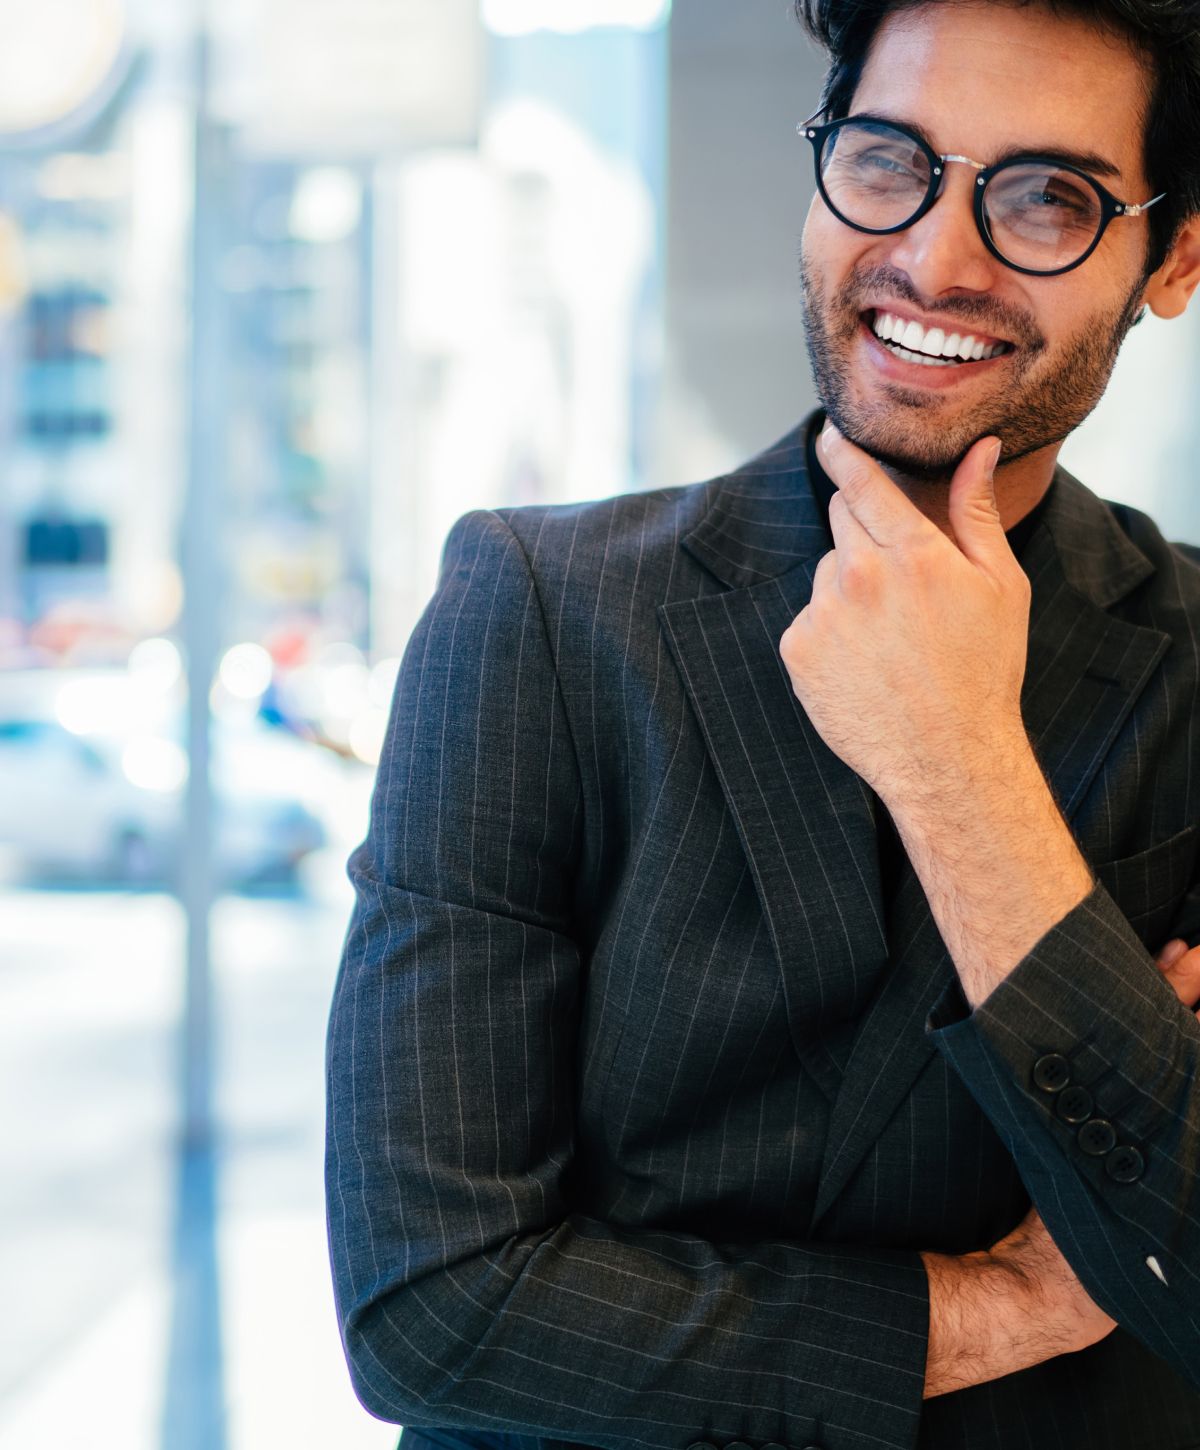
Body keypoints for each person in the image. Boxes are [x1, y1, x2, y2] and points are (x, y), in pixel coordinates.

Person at [324, 2, 1200, 1447]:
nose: (934, 256)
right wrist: (1008, 1303)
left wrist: (961, 768)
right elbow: (433, 1303)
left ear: (1170, 256)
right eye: (886, 159)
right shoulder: (543, 613)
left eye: (1046, 197)